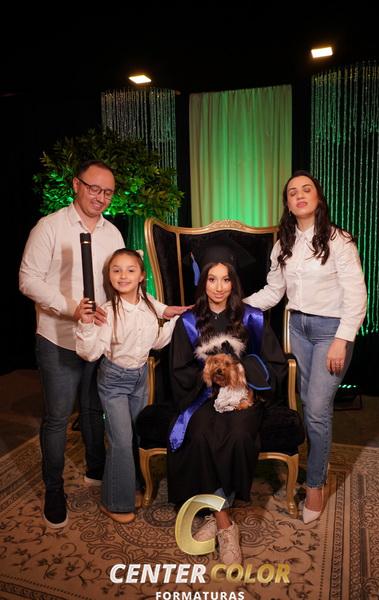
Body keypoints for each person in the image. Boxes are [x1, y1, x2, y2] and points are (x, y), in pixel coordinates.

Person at [19, 160, 185, 529]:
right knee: (58, 417)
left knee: (94, 411)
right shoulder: (50, 227)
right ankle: (54, 490)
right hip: (59, 337)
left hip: (103, 340)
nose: (101, 197)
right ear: (76, 185)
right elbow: (27, 279)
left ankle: (97, 469)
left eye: (107, 192)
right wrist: (70, 308)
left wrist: (160, 310)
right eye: (94, 188)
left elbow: (125, 287)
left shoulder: (112, 233)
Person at [245, 170, 367, 524]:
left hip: (331, 331)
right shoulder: (283, 243)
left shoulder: (339, 240)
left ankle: (315, 484)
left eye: (306, 189)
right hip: (297, 328)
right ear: (287, 203)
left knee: (316, 408)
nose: (299, 195)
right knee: (310, 407)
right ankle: (318, 464)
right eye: (292, 192)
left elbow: (357, 294)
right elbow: (274, 291)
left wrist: (342, 339)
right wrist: (236, 304)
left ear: (318, 197)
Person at [167, 246, 288, 564]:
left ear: (234, 282)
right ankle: (225, 523)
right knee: (201, 434)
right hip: (203, 397)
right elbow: (180, 370)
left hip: (244, 395)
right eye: (212, 279)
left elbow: (274, 363)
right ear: (203, 282)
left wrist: (247, 382)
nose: (219, 287)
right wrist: (208, 377)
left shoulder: (252, 318)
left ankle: (215, 514)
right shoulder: (189, 322)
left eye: (225, 279)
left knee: (238, 435)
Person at [75, 248, 178, 523]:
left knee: (134, 436)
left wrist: (177, 321)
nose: (123, 275)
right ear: (109, 276)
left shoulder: (148, 304)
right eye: (116, 270)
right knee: (120, 440)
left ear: (142, 275)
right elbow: (90, 354)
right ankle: (114, 503)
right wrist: (86, 325)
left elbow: (156, 341)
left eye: (130, 270)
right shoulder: (107, 311)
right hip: (114, 380)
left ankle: (130, 485)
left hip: (140, 377)